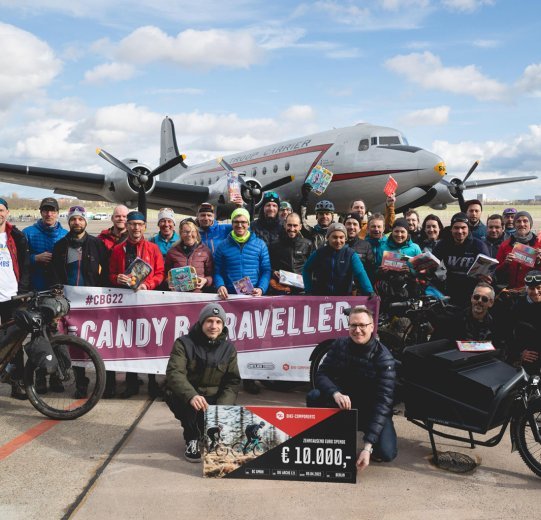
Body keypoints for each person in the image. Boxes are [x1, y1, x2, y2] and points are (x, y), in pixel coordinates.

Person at [307, 305, 397, 470]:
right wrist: (335, 393)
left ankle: (370, 441)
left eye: (362, 325)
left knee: (387, 454)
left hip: (370, 410)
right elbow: (321, 374)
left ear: (371, 327)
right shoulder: (339, 344)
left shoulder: (384, 359)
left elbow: (383, 404)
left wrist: (367, 448)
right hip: (344, 405)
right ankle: (322, 438)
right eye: (353, 325)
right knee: (314, 395)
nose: (357, 330)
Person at [165, 303, 241, 462]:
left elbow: (232, 382)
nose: (214, 326)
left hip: (213, 399)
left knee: (226, 421)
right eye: (209, 321)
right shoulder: (183, 343)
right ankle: (191, 438)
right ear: (201, 323)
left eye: (218, 322)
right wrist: (191, 395)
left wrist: (222, 408)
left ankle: (209, 433)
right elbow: (175, 373)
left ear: (223, 325)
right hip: (190, 398)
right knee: (178, 396)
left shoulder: (229, 349)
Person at [109, 210, 165, 398]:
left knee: (149, 342)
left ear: (144, 227)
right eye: (132, 224)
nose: (136, 228)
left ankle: (152, 383)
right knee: (129, 343)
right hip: (126, 303)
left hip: (147, 301)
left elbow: (160, 273)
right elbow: (110, 274)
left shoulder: (153, 248)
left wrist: (148, 285)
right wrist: (117, 278)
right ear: (127, 226)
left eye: (139, 224)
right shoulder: (118, 249)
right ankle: (131, 383)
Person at [0, 197, 30, 400]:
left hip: (11, 296)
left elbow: (26, 265)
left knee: (15, 342)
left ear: (7, 212)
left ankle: (16, 382)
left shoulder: (16, 236)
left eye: (1, 210)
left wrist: (22, 292)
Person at [433, 212, 490, 306]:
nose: (459, 231)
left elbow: (489, 267)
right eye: (456, 228)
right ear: (451, 229)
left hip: (472, 293)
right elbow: (432, 262)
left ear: (468, 229)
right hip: (449, 291)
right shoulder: (444, 244)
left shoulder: (478, 245)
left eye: (463, 228)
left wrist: (489, 276)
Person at [213, 208, 271, 300]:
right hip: (229, 296)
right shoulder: (222, 246)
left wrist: (261, 288)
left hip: (253, 295)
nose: (240, 225)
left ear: (248, 224)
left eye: (243, 222)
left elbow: (266, 271)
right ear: (232, 224)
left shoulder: (260, 245)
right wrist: (220, 285)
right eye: (236, 222)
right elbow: (217, 271)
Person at [303, 223, 374, 296]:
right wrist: (308, 290)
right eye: (335, 237)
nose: (338, 241)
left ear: (345, 238)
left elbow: (360, 273)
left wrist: (369, 290)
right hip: (322, 297)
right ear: (328, 237)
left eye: (341, 237)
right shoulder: (319, 253)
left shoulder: (350, 254)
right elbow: (306, 269)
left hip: (343, 298)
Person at [51, 205, 109, 288]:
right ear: (69, 222)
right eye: (73, 219)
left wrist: (101, 288)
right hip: (66, 295)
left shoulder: (97, 244)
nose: (77, 222)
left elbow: (106, 269)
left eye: (81, 219)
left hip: (91, 294)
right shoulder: (60, 245)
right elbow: (55, 272)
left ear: (85, 222)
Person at [431, 283, 503, 347]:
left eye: (484, 299)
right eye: (476, 297)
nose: (479, 301)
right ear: (472, 298)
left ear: (491, 303)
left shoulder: (495, 325)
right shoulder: (453, 321)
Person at [23, 197, 68, 290]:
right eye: (45, 211)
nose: (49, 214)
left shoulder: (66, 235)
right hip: (34, 288)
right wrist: (35, 258)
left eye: (53, 211)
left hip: (58, 288)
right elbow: (18, 259)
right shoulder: (27, 233)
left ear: (57, 213)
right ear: (40, 212)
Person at [269, 213, 313, 294]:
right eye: (289, 225)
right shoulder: (274, 245)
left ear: (300, 226)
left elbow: (313, 268)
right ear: (285, 225)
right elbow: (268, 266)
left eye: (295, 225)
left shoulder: (307, 244)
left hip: (302, 291)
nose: (292, 229)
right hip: (281, 289)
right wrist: (273, 272)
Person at [496, 210, 541, 289]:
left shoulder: (539, 244)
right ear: (514, 224)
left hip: (533, 291)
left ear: (530, 224)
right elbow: (496, 271)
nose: (522, 224)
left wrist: (539, 262)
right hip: (510, 291)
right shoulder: (505, 245)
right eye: (518, 221)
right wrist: (505, 263)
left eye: (525, 221)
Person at [164, 220, 213, 292]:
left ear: (196, 233)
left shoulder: (205, 251)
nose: (189, 234)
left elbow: (211, 274)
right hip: (178, 295)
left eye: (192, 231)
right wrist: (169, 281)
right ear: (180, 234)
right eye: (185, 232)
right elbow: (166, 274)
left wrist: (205, 280)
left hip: (198, 295)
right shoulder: (172, 252)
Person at [508, 270, 541, 374]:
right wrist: (518, 354)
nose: (535, 292)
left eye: (539, 288)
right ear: (526, 289)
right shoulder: (517, 307)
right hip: (530, 359)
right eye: (531, 288)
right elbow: (507, 334)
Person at [300, 184, 335, 249]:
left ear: (332, 217)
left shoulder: (337, 232)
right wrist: (304, 199)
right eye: (321, 214)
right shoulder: (311, 233)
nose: (324, 216)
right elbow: (301, 221)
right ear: (316, 216)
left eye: (327, 214)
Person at [343, 212, 375, 281]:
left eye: (355, 224)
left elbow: (370, 270)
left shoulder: (366, 245)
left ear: (360, 228)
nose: (351, 227)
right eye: (348, 224)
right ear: (343, 226)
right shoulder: (337, 244)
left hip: (359, 289)